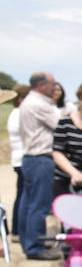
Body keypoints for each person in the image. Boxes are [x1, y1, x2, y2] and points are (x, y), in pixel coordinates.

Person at [18, 72, 61, 260]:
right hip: (41, 158)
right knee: (39, 205)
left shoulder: (30, 101)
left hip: (30, 158)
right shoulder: (40, 103)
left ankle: (27, 241)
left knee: (28, 204)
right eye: (52, 84)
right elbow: (61, 124)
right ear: (41, 84)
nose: (55, 87)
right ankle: (35, 246)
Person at [6, 85, 30, 239]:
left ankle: (17, 229)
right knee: (24, 196)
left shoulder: (16, 114)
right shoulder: (19, 114)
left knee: (22, 195)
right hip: (22, 160)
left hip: (20, 159)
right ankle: (18, 230)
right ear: (21, 99)